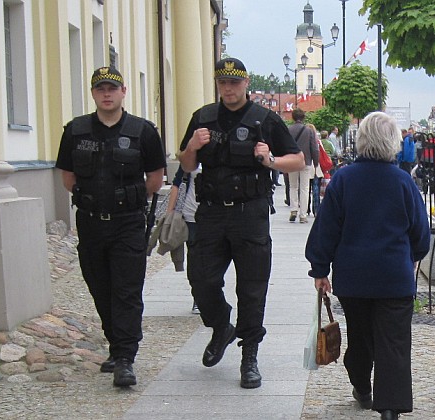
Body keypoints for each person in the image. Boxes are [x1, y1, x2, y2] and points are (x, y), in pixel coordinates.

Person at [177, 57, 304, 389]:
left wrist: (270, 160)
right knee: (201, 280)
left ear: (245, 84)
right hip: (212, 213)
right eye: (223, 83)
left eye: (234, 82)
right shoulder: (203, 118)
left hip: (251, 213)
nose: (229, 88)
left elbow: (298, 160)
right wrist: (192, 146)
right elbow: (187, 165)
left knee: (252, 287)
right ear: (217, 85)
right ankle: (221, 325)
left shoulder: (264, 119)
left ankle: (250, 355)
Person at [305, 112, 430, 420]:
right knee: (394, 344)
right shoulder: (404, 181)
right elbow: (421, 234)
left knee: (360, 338)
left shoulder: (344, 180)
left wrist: (320, 269)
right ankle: (389, 408)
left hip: (353, 278)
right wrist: (412, 255)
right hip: (394, 278)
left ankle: (361, 385)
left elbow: (326, 229)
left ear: (360, 140)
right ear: (393, 143)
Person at [55, 66, 166, 387]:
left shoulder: (142, 131)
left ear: (123, 92)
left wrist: (125, 200)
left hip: (128, 223)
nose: (106, 94)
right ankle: (116, 345)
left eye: (112, 88)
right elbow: (68, 178)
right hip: (90, 223)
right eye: (100, 88)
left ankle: (126, 357)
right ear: (93, 93)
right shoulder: (76, 131)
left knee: (127, 290)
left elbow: (155, 178)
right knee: (100, 288)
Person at [166, 165, 201, 314]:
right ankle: (198, 297)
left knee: (214, 258)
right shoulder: (192, 155)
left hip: (215, 216)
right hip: (191, 215)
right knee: (194, 258)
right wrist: (169, 214)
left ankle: (211, 293)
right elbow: (177, 183)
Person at [288, 109, 318, 223]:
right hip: (306, 161)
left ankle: (294, 209)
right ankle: (303, 215)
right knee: (305, 188)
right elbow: (314, 147)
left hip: (292, 161)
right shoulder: (309, 130)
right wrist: (316, 162)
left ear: (293, 117)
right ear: (304, 117)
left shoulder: (289, 130)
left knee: (293, 186)